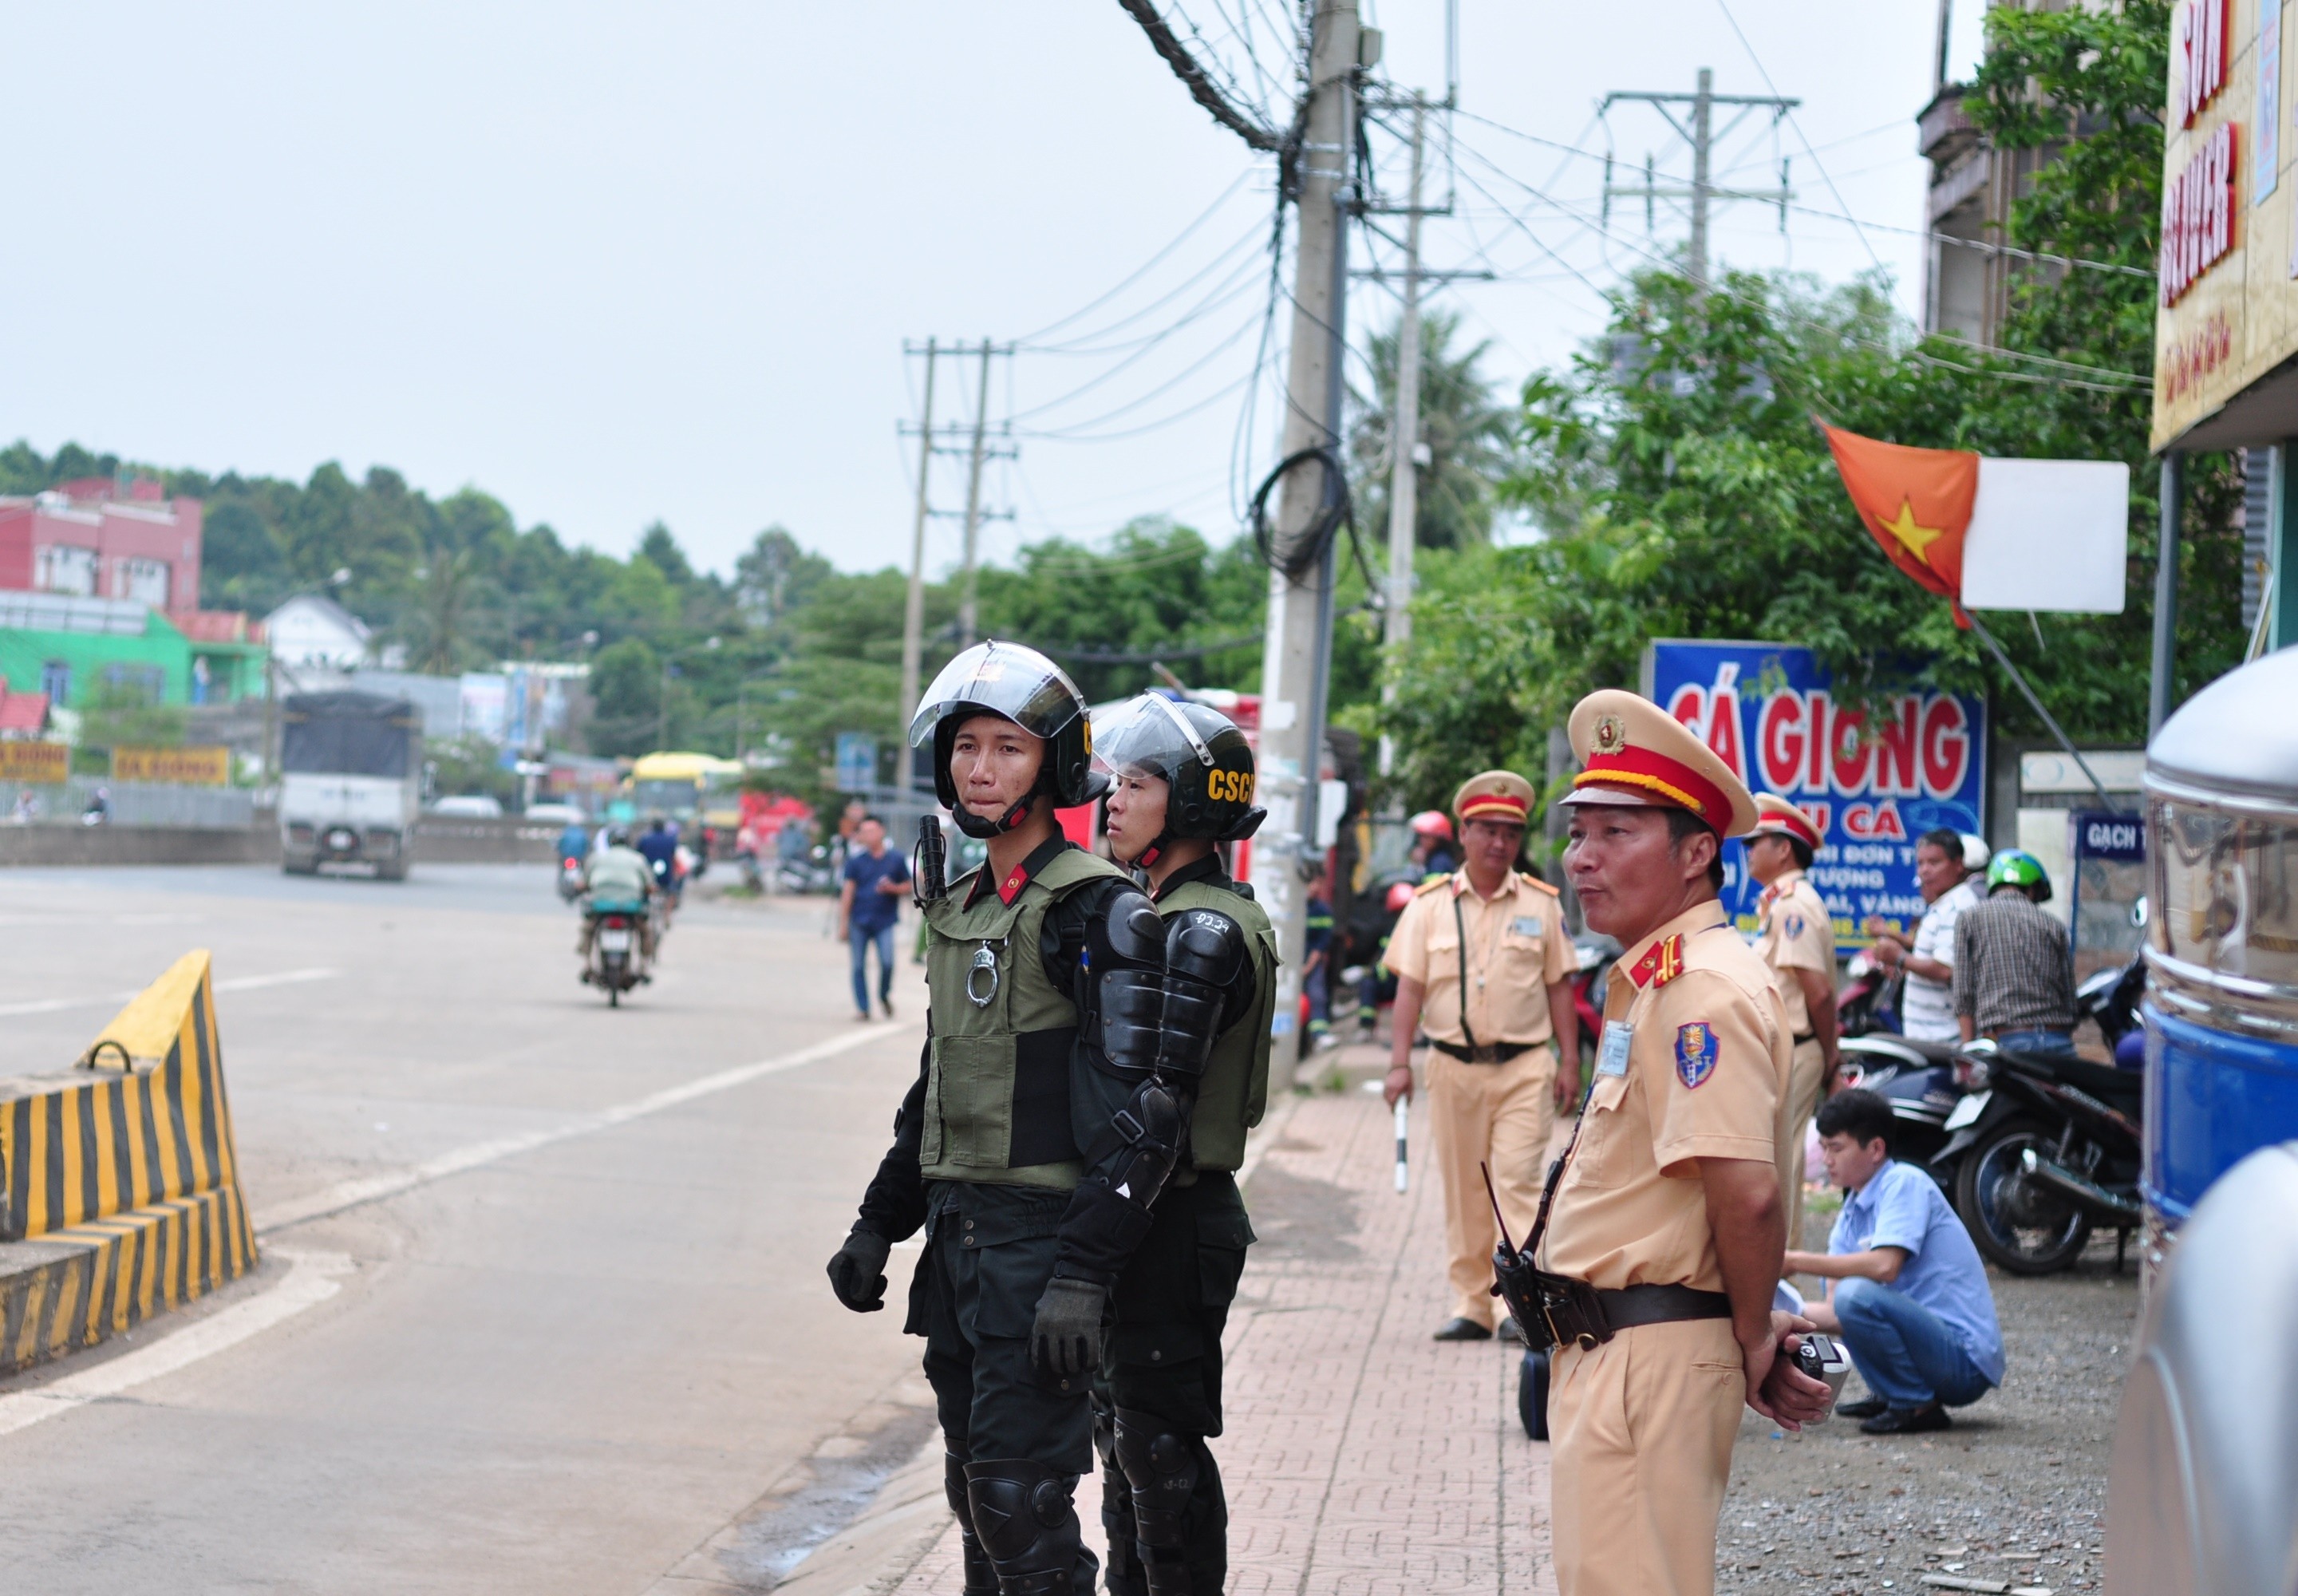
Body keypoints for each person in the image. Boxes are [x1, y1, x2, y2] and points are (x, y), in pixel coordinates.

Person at [824, 642, 1236, 1596]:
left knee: (1024, 1510)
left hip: (1045, 1250)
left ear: (1052, 764)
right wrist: (877, 1224)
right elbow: (942, 1080)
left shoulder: (1097, 910)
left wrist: (1084, 1275)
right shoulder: (961, 904)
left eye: (1008, 748)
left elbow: (1154, 1110)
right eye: (967, 745)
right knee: (977, 1504)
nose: (980, 767)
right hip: (962, 1243)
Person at [1539, 689, 1831, 1596]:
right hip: (1618, 1347)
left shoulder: (1703, 986)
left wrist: (1753, 1335)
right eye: (1580, 831)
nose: (1583, 857)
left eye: (1617, 832)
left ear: (1698, 851)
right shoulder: (1659, 977)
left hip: (1648, 1353)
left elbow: (1745, 1191)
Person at [1089, 691, 1276, 1596]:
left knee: (1159, 1449)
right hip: (1138, 1208)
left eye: (1135, 782)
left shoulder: (1202, 929)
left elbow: (1158, 1108)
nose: (1111, 799)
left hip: (1173, 1211)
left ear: (1193, 802)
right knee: (1122, 1443)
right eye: (1113, 781)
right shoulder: (1157, 908)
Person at [1382, 770, 1580, 1341]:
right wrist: (1398, 1064)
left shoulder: (1542, 906)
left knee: (1516, 1181)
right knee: (1466, 1187)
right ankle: (1471, 1302)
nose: (1500, 843)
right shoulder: (1428, 906)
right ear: (1464, 834)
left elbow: (1559, 987)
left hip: (1524, 1066)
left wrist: (1570, 1062)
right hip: (1452, 1067)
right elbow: (1410, 992)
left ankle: (1514, 1305)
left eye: (1511, 833)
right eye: (1488, 830)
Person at [1784, 1088, 2004, 1434]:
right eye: (1824, 1147)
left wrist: (1795, 1261)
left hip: (1964, 1364)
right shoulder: (1852, 1213)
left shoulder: (1904, 1183)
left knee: (1855, 1294)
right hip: (1934, 1354)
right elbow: (1835, 1312)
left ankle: (1914, 1404)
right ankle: (1892, 1393)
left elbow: (1885, 1265)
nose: (1827, 1159)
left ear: (1875, 1149)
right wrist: (1773, 1313)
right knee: (1849, 1299)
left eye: (1837, 1148)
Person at [1743, 792, 1838, 1245]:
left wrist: (1832, 1057)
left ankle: (1781, 1271)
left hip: (1798, 1046)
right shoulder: (1778, 902)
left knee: (1784, 1163)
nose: (1747, 851)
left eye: (1755, 842)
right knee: (1775, 1159)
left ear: (1783, 849)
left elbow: (1817, 994)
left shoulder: (1793, 905)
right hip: (1786, 1047)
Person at [1861, 828, 1980, 1046]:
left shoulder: (1957, 907)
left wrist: (1899, 958)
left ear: (1958, 864)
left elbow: (1945, 969)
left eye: (1934, 863)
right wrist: (1904, 966)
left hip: (1942, 1036)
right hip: (1927, 1033)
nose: (1924, 871)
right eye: (1920, 863)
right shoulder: (1943, 904)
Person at [1953, 849, 2076, 1053]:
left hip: (2007, 1044)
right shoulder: (2054, 925)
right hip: (2058, 1043)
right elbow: (2070, 1002)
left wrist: (1969, 1049)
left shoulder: (1970, 918)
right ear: (2032, 889)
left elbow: (1964, 995)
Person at [839, 813, 910, 1020]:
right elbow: (848, 893)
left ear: (881, 831)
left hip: (884, 921)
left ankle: (883, 995)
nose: (868, 835)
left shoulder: (895, 859)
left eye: (872, 830)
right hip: (859, 919)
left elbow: (908, 886)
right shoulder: (855, 862)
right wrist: (843, 924)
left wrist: (893, 889)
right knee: (858, 966)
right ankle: (863, 1008)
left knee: (887, 963)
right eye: (864, 831)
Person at [576, 825, 657, 970]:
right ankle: (643, 966)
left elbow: (583, 883)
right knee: (644, 931)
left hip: (601, 905)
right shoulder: (638, 859)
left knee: (588, 929)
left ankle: (587, 965)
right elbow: (650, 886)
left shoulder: (597, 858)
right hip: (631, 906)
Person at [1303, 887, 1334, 1049]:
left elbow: (1321, 945)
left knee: (1317, 996)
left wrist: (1307, 968)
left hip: (1311, 962)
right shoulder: (1292, 905)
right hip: (1289, 962)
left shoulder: (1322, 910)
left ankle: (1319, 1036)